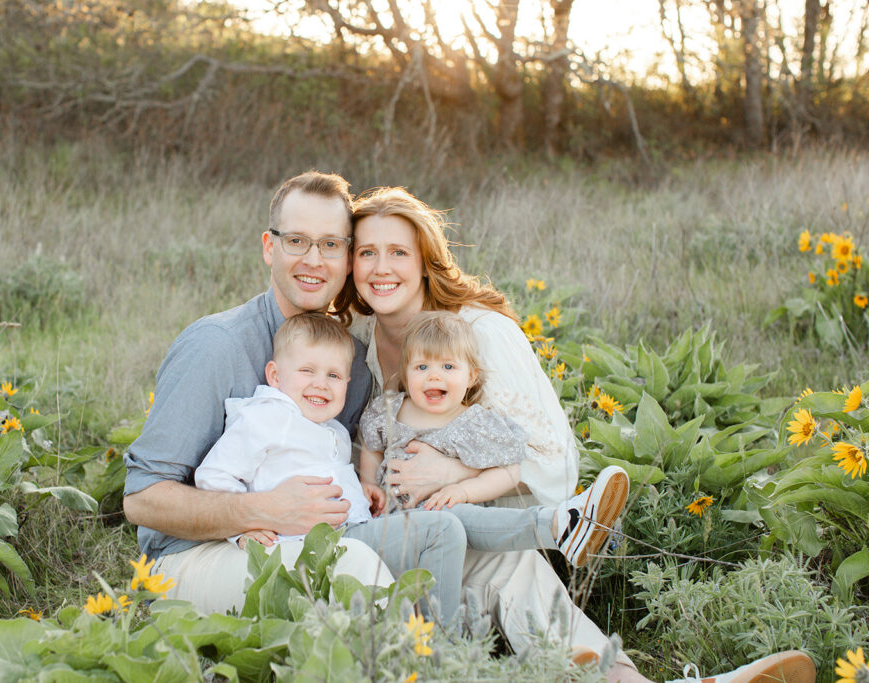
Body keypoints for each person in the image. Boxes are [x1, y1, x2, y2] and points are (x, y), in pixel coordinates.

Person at [339, 186, 816, 683]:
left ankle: (625, 675)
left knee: (510, 567)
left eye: (398, 252)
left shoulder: (478, 333)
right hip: (403, 531)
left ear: (425, 260)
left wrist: (455, 473)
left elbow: (555, 460)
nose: (381, 268)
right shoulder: (360, 347)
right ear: (351, 264)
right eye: (367, 252)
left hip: (493, 522)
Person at [122, 171, 466, 623]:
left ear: (347, 259)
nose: (313, 260)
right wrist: (261, 510)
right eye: (297, 241)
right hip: (188, 561)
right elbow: (142, 499)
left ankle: (448, 657)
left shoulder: (350, 365)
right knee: (356, 567)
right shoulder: (216, 346)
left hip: (312, 541)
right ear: (269, 246)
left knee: (438, 534)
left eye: (330, 244)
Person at [359, 310, 630, 568]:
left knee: (464, 518)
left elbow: (510, 471)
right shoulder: (390, 410)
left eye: (448, 366)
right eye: (421, 366)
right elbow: (372, 446)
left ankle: (561, 525)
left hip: (448, 520)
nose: (434, 375)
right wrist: (369, 485)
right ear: (406, 373)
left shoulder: (475, 423)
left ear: (471, 376)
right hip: (391, 527)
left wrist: (464, 491)